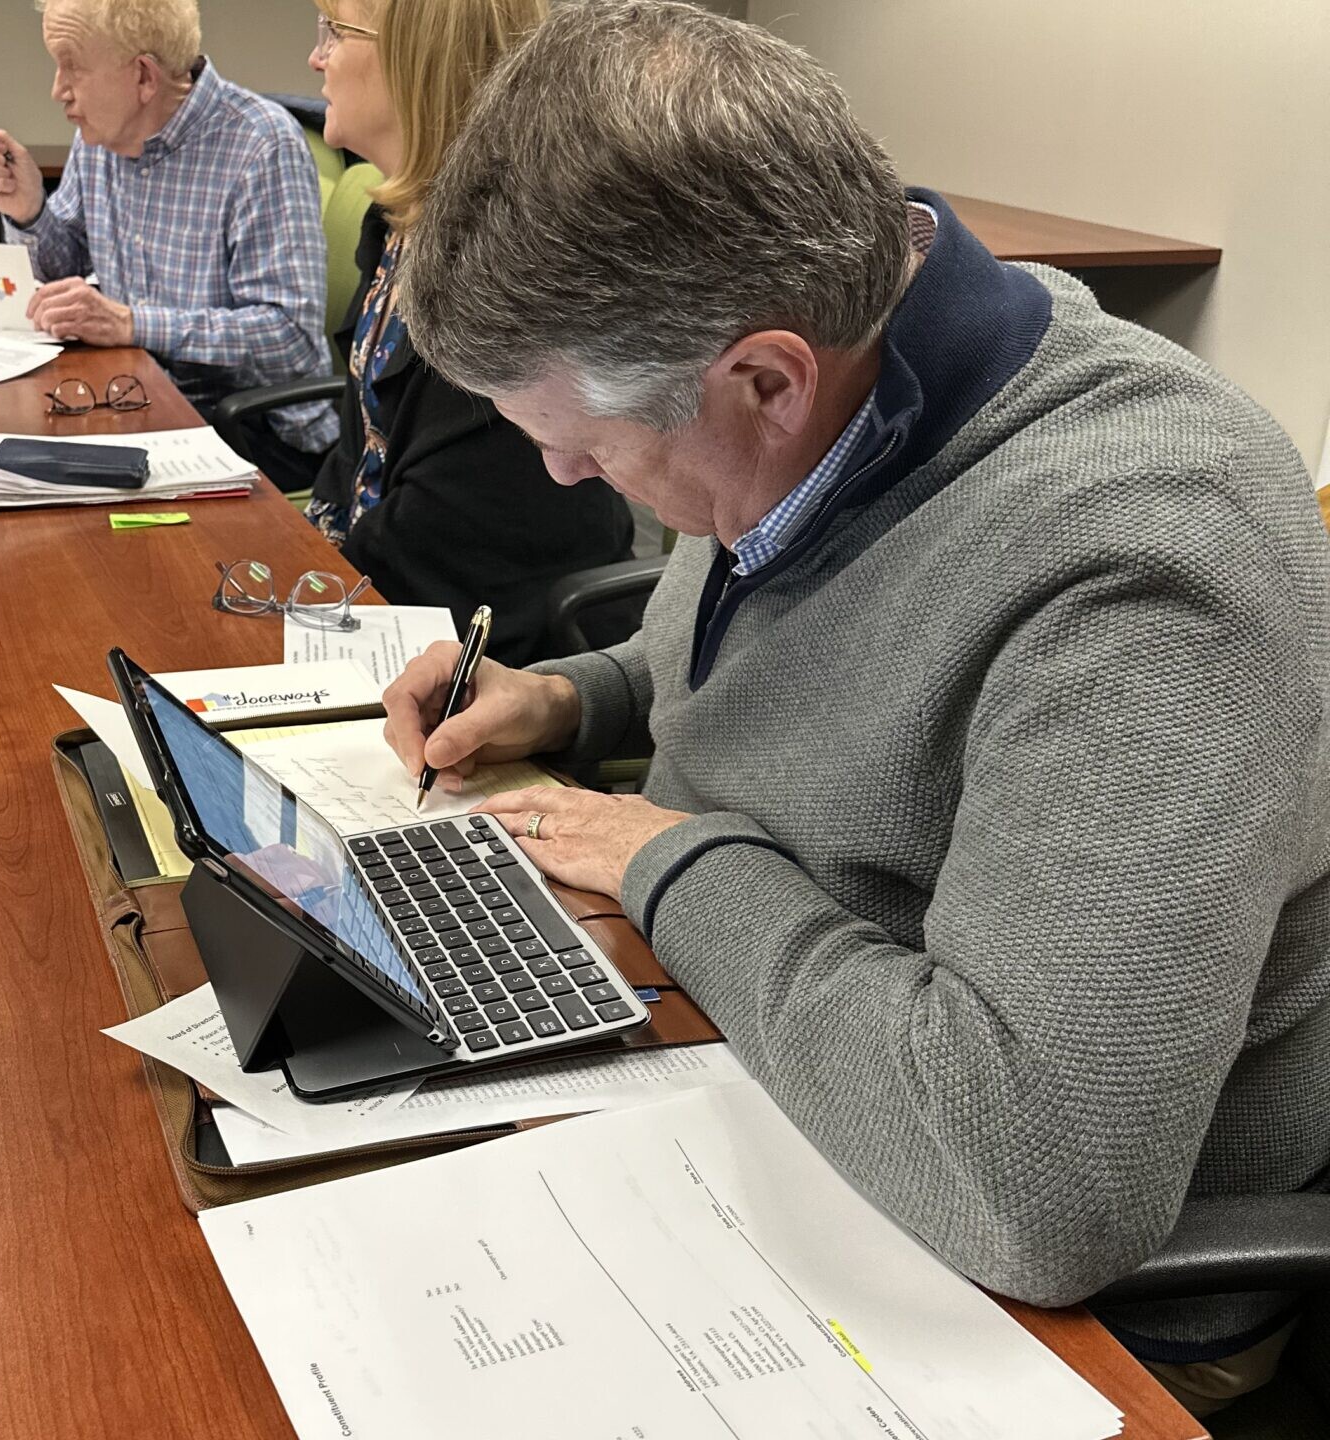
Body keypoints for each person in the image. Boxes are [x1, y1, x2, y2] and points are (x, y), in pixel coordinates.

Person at [382, 1, 1330, 1415]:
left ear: (763, 378)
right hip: (773, 1063)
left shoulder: (1144, 562)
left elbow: (1037, 1187)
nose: (572, 482)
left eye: (591, 450)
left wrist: (661, 857)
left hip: (1045, 1287)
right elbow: (812, 645)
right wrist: (576, 700)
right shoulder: (836, 373)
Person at [301, 0, 633, 665]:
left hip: (489, 645)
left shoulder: (506, 268)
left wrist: (298, 592)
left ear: (414, 62)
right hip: (385, 596)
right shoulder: (397, 227)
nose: (316, 56)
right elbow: (360, 448)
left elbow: (442, 544)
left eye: (335, 32)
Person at [0, 0, 338, 491]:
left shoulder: (260, 146)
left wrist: (131, 323)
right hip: (141, 397)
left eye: (71, 67)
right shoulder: (100, 139)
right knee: (1, 466)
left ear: (144, 77)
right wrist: (29, 208)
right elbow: (67, 270)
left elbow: (287, 337)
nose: (58, 90)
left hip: (254, 431)